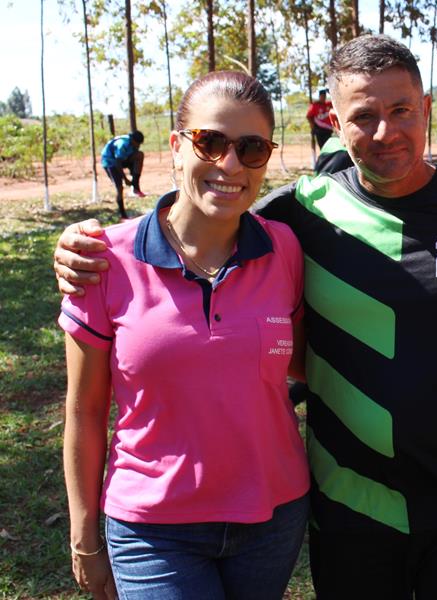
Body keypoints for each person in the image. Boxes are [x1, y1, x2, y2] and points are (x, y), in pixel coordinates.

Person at [54, 35, 437, 599]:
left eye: (402, 110)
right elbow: (208, 210)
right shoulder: (297, 218)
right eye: (363, 116)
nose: (385, 131)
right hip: (351, 509)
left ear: (426, 108)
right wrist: (84, 247)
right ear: (334, 121)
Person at [60, 70, 309, 600]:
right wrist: (85, 537)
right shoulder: (103, 261)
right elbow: (84, 410)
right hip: (153, 528)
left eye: (251, 148)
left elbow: (303, 364)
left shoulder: (285, 249)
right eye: (211, 142)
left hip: (273, 517)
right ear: (177, 146)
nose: (230, 165)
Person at [100, 130, 146, 219]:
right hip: (110, 162)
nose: (138, 146)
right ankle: (123, 214)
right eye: (137, 144)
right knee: (119, 187)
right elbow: (118, 163)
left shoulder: (132, 145)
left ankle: (135, 186)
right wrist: (125, 179)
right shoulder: (122, 144)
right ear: (133, 140)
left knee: (140, 155)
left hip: (122, 159)